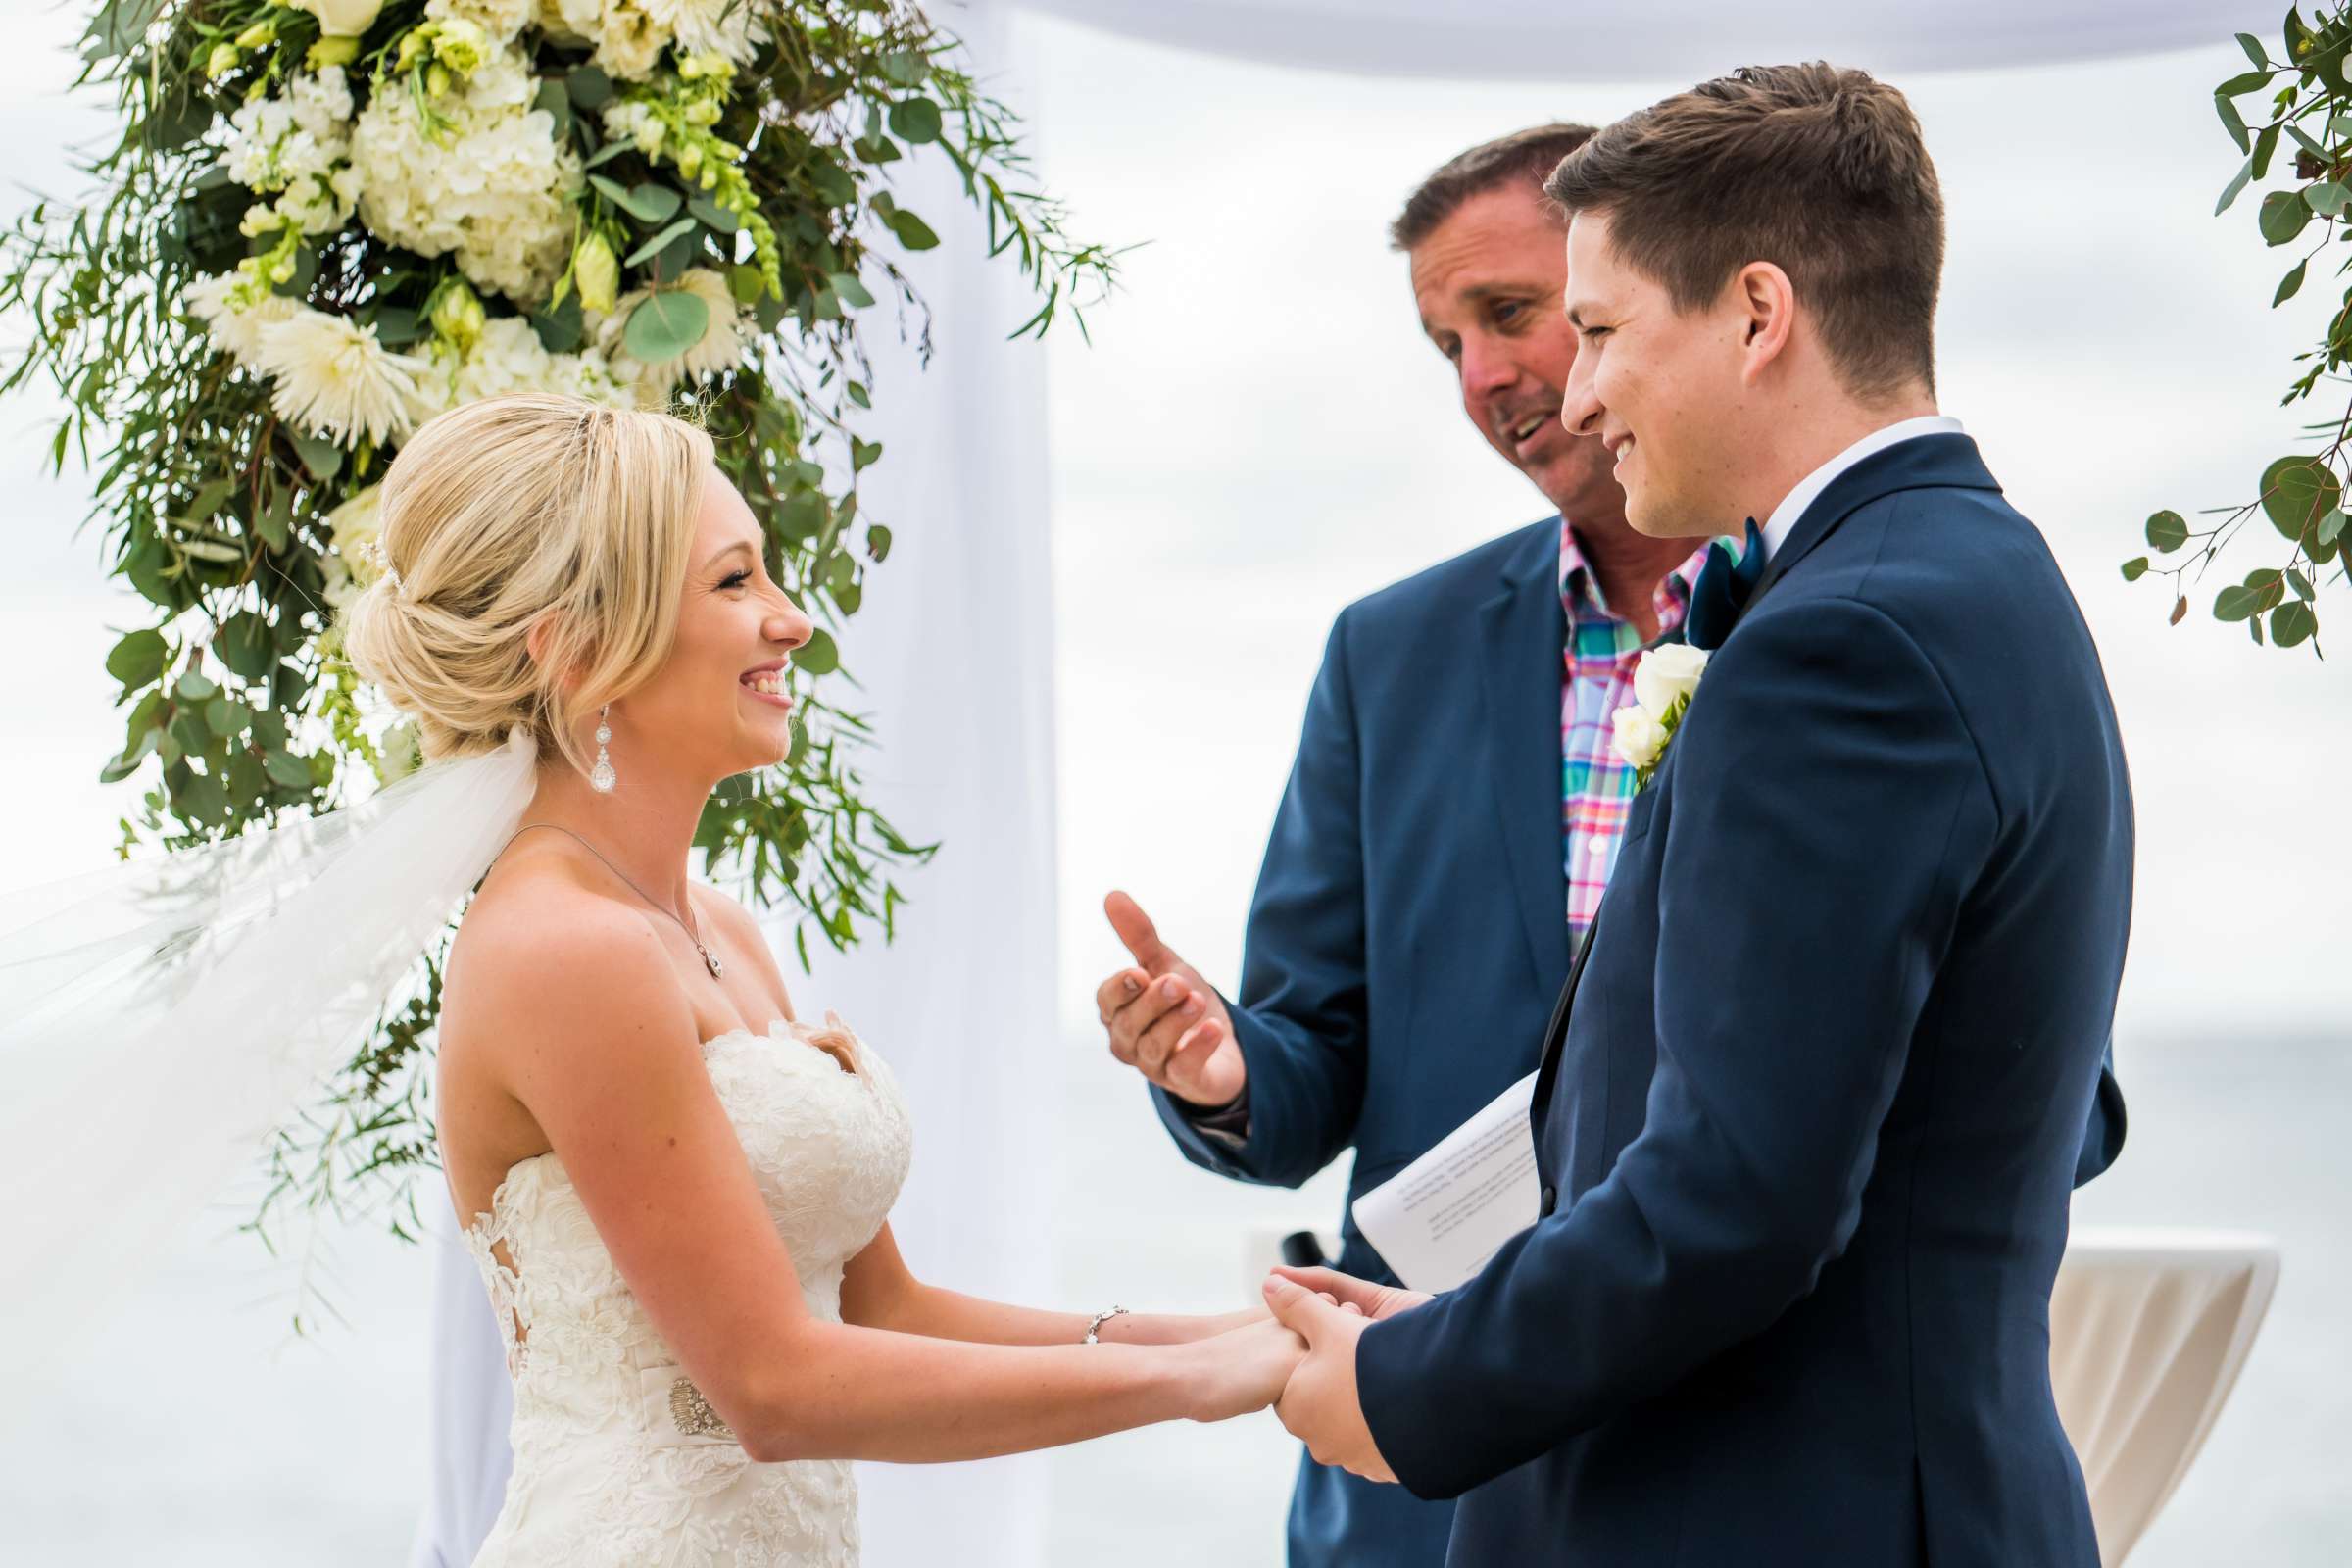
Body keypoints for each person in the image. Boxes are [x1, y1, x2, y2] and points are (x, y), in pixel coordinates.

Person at [1262, 63, 2132, 1568]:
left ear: (1755, 311)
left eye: (1597, 329)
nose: (1578, 393)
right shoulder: (1974, 575)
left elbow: (1736, 1198)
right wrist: (1468, 1313)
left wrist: (1408, 1388)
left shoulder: (1841, 642)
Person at [332, 392, 1303, 1564]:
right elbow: (774, 1385)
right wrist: (1200, 1386)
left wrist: (1231, 1334)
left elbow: (885, 1310)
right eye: (735, 582)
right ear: (581, 648)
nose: (790, 623)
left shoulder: (718, 930)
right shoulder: (562, 949)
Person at [1093, 122, 1717, 1566]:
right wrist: (1226, 1065)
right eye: (1446, 346)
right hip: (1422, 1465)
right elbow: (1316, 1062)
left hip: (1737, 1438)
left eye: (1509, 315)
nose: (1485, 378)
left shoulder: (1838, 624)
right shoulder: (1391, 655)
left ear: (1635, 294)